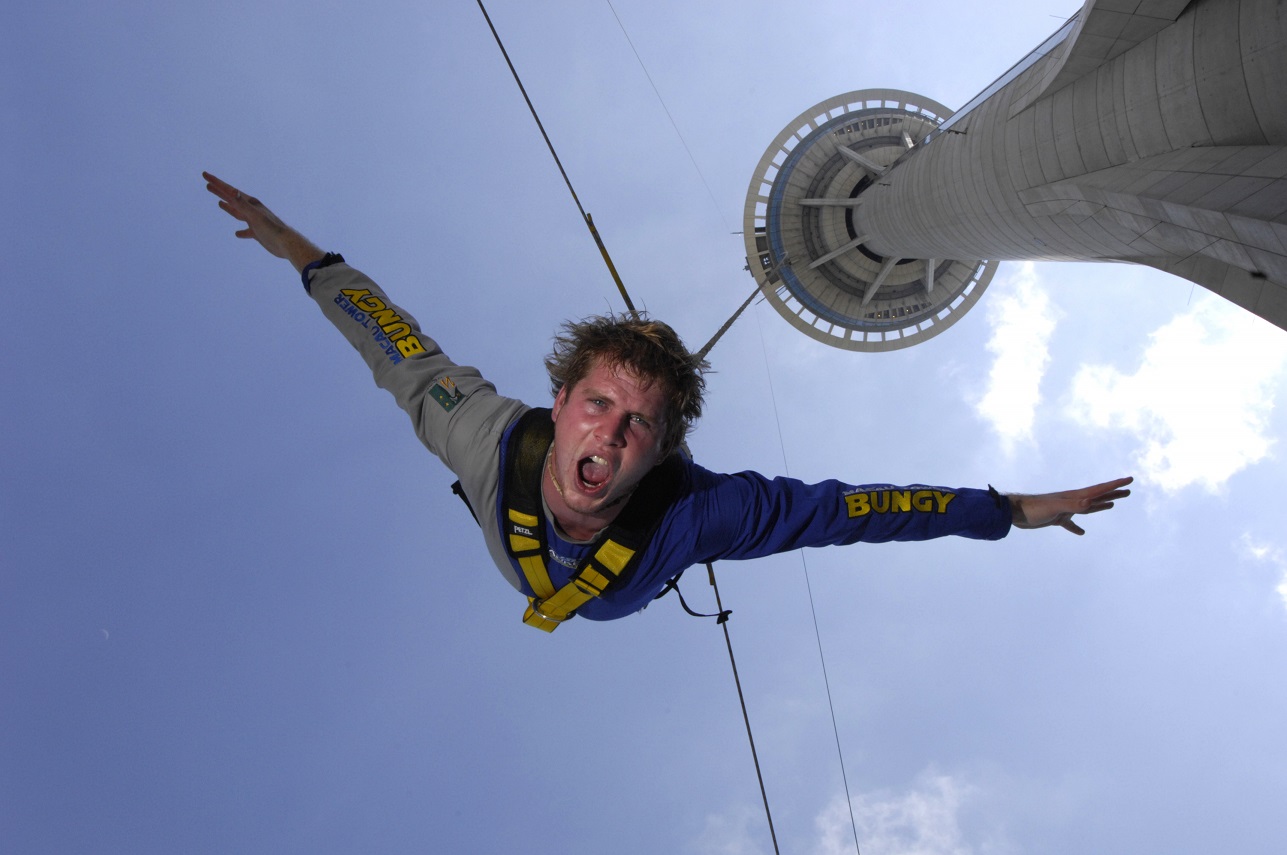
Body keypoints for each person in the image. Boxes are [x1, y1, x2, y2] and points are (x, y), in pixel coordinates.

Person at [203, 172, 1133, 631]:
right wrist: (305, 255)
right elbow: (397, 345)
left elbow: (849, 513)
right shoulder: (485, 433)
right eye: (599, 403)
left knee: (751, 531)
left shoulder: (700, 510)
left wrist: (1002, 511)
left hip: (616, 592)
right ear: (562, 398)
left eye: (636, 421)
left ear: (659, 448)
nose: (608, 430)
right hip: (516, 543)